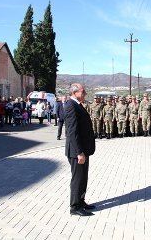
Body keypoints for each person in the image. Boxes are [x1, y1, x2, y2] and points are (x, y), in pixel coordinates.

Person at [64, 83, 95, 216]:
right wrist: (79, 153)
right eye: (83, 91)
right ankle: (75, 207)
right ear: (75, 92)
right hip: (77, 151)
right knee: (77, 178)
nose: (85, 93)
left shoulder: (78, 104)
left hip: (83, 149)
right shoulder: (71, 105)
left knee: (83, 177)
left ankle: (81, 201)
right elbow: (72, 132)